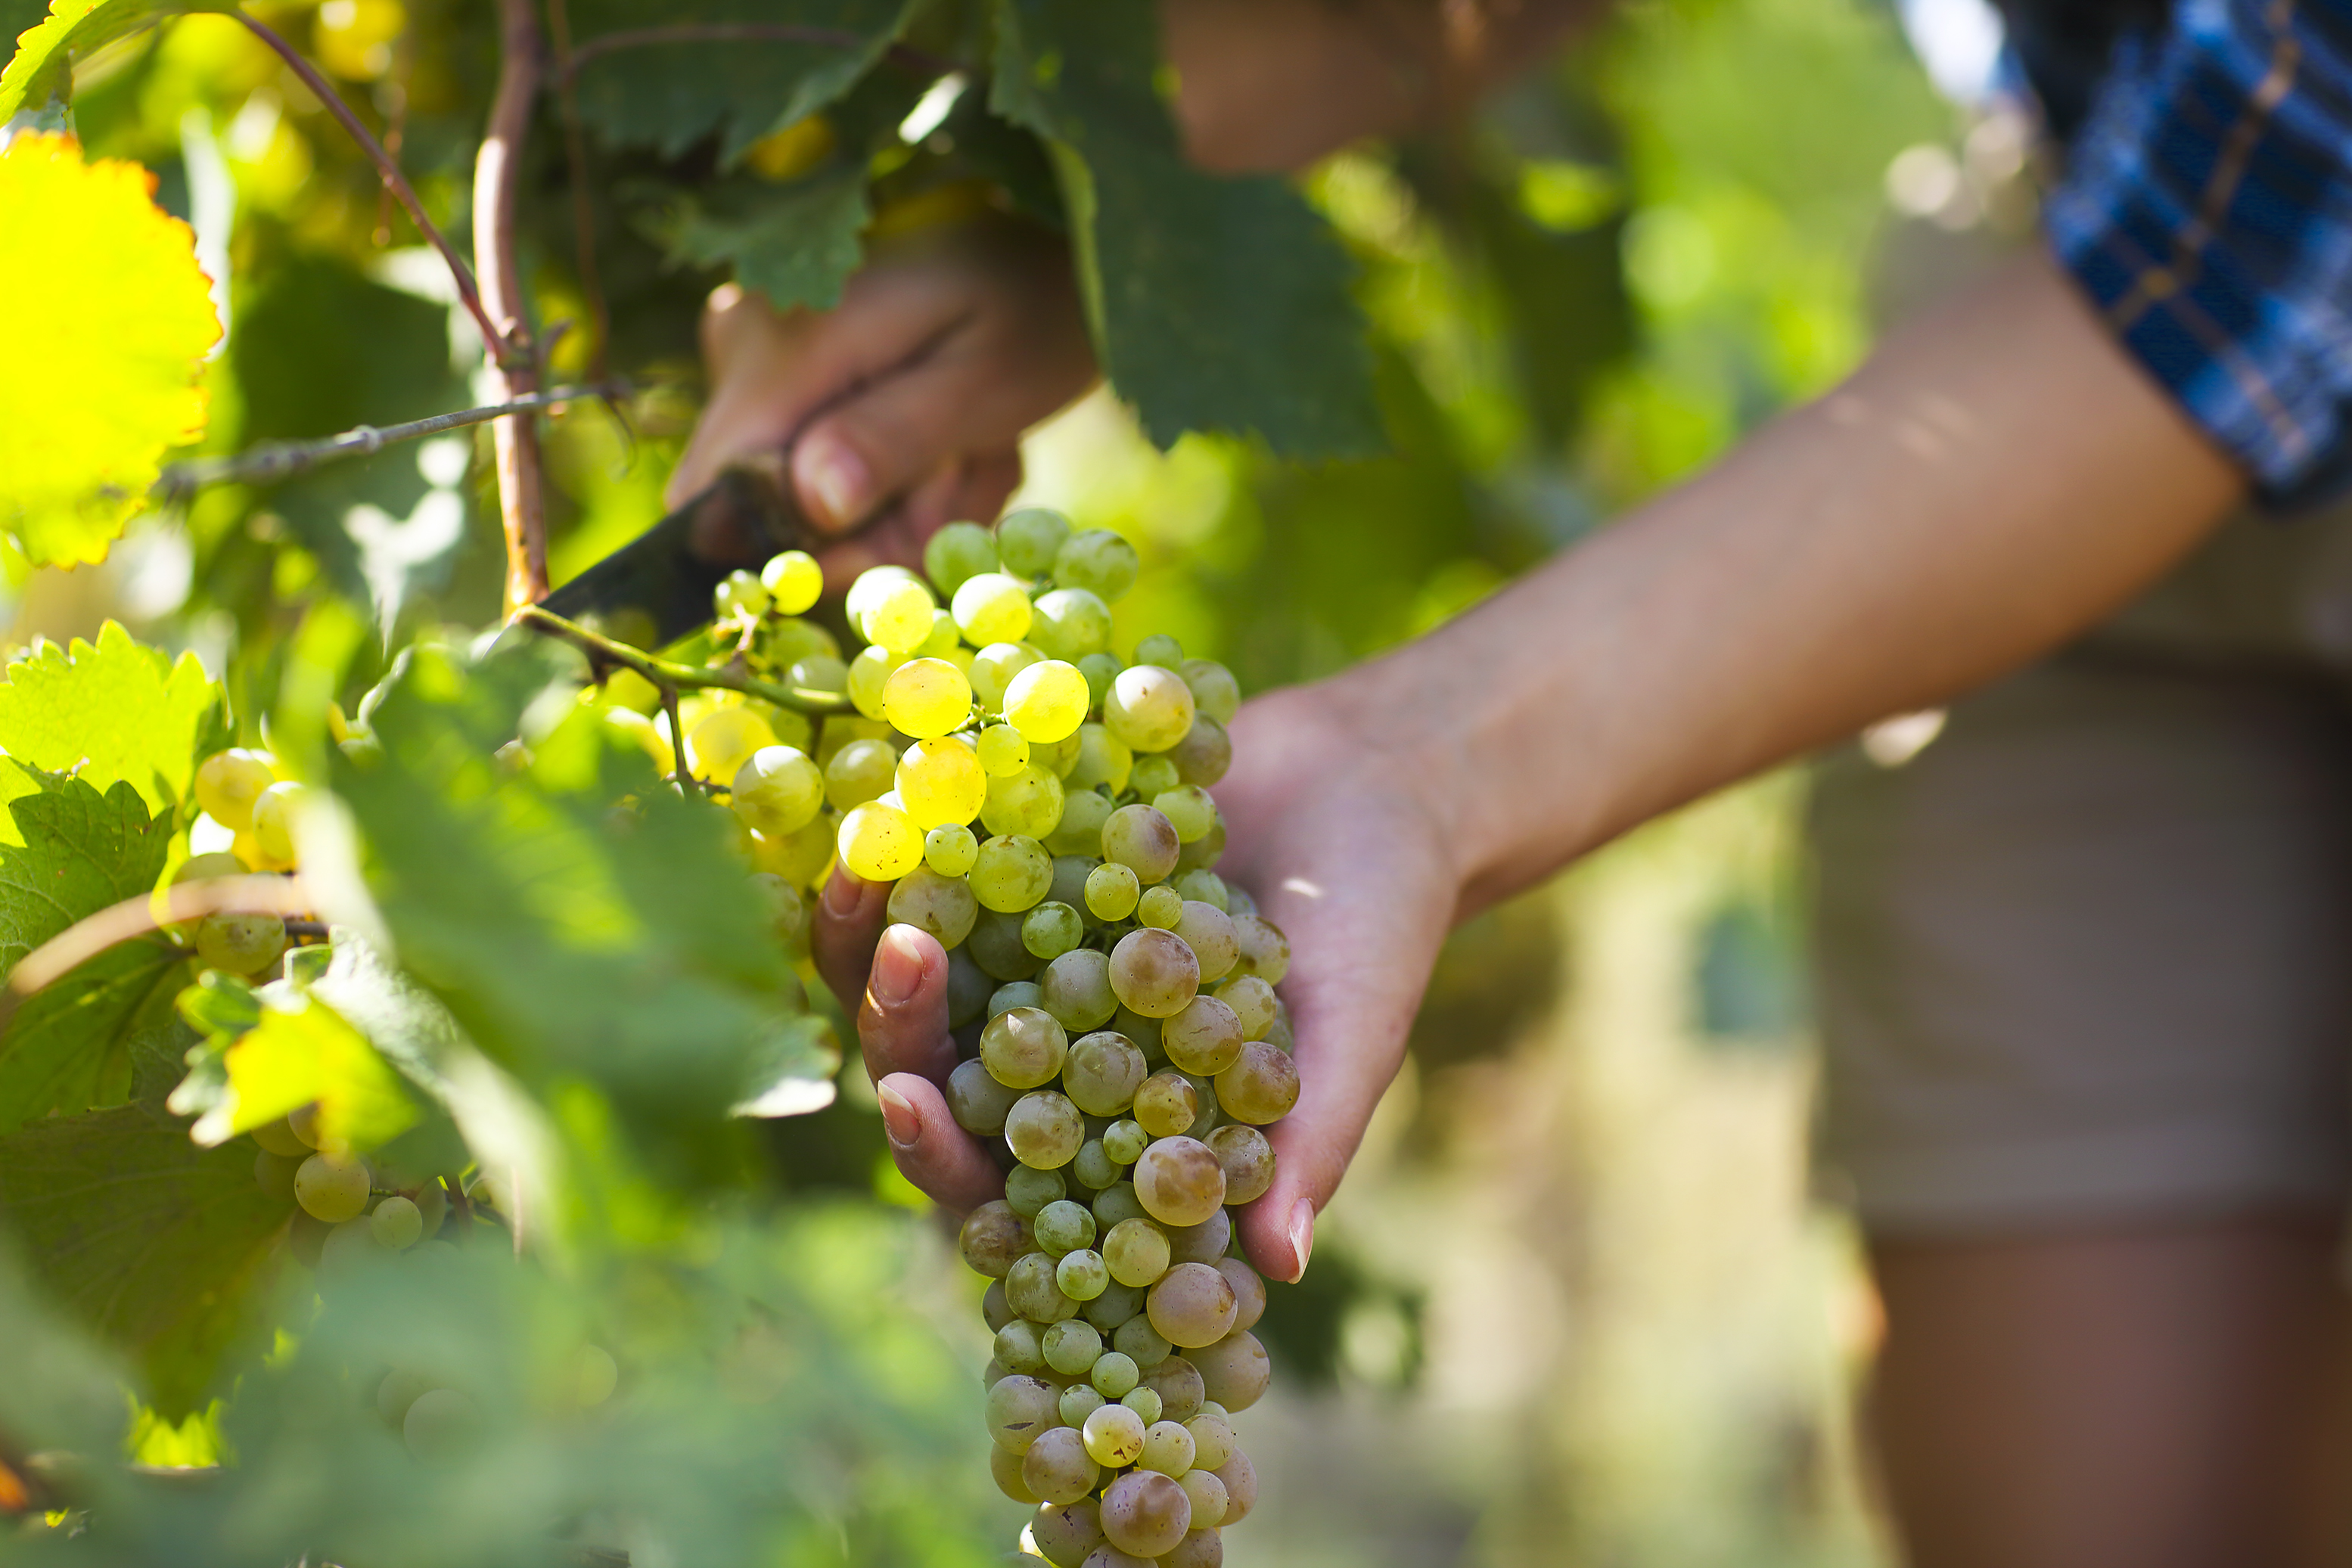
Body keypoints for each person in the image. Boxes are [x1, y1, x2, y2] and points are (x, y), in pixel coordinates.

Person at [671, 2, 2352, 1561]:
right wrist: (1076, 202)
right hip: (2066, 247)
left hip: (2224, 259)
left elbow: (2273, 241)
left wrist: (1429, 761)